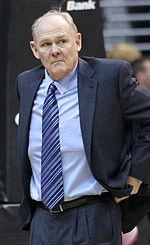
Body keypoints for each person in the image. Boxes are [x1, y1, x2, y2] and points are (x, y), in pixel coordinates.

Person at [16, 10, 150, 245]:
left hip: (93, 215)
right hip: (42, 220)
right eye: (46, 44)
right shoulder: (26, 83)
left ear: (77, 42)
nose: (55, 50)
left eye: (62, 41)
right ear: (34, 50)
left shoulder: (110, 77)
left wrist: (137, 174)